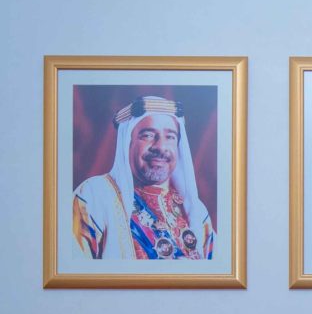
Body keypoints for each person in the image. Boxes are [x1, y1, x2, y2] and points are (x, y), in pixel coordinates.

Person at [73, 96, 216, 260]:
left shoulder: (195, 211)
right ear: (127, 142)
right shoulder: (94, 196)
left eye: (170, 137)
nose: (161, 146)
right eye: (148, 135)